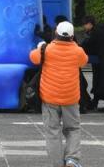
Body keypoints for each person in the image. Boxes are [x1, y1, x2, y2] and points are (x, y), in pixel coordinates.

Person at [30, 21, 89, 167]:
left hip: (49, 98)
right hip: (70, 98)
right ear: (72, 36)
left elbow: (33, 57)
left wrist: (39, 47)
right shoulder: (78, 51)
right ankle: (72, 159)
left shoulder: (47, 49)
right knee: (73, 129)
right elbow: (84, 61)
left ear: (56, 33)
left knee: (52, 132)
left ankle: (56, 164)